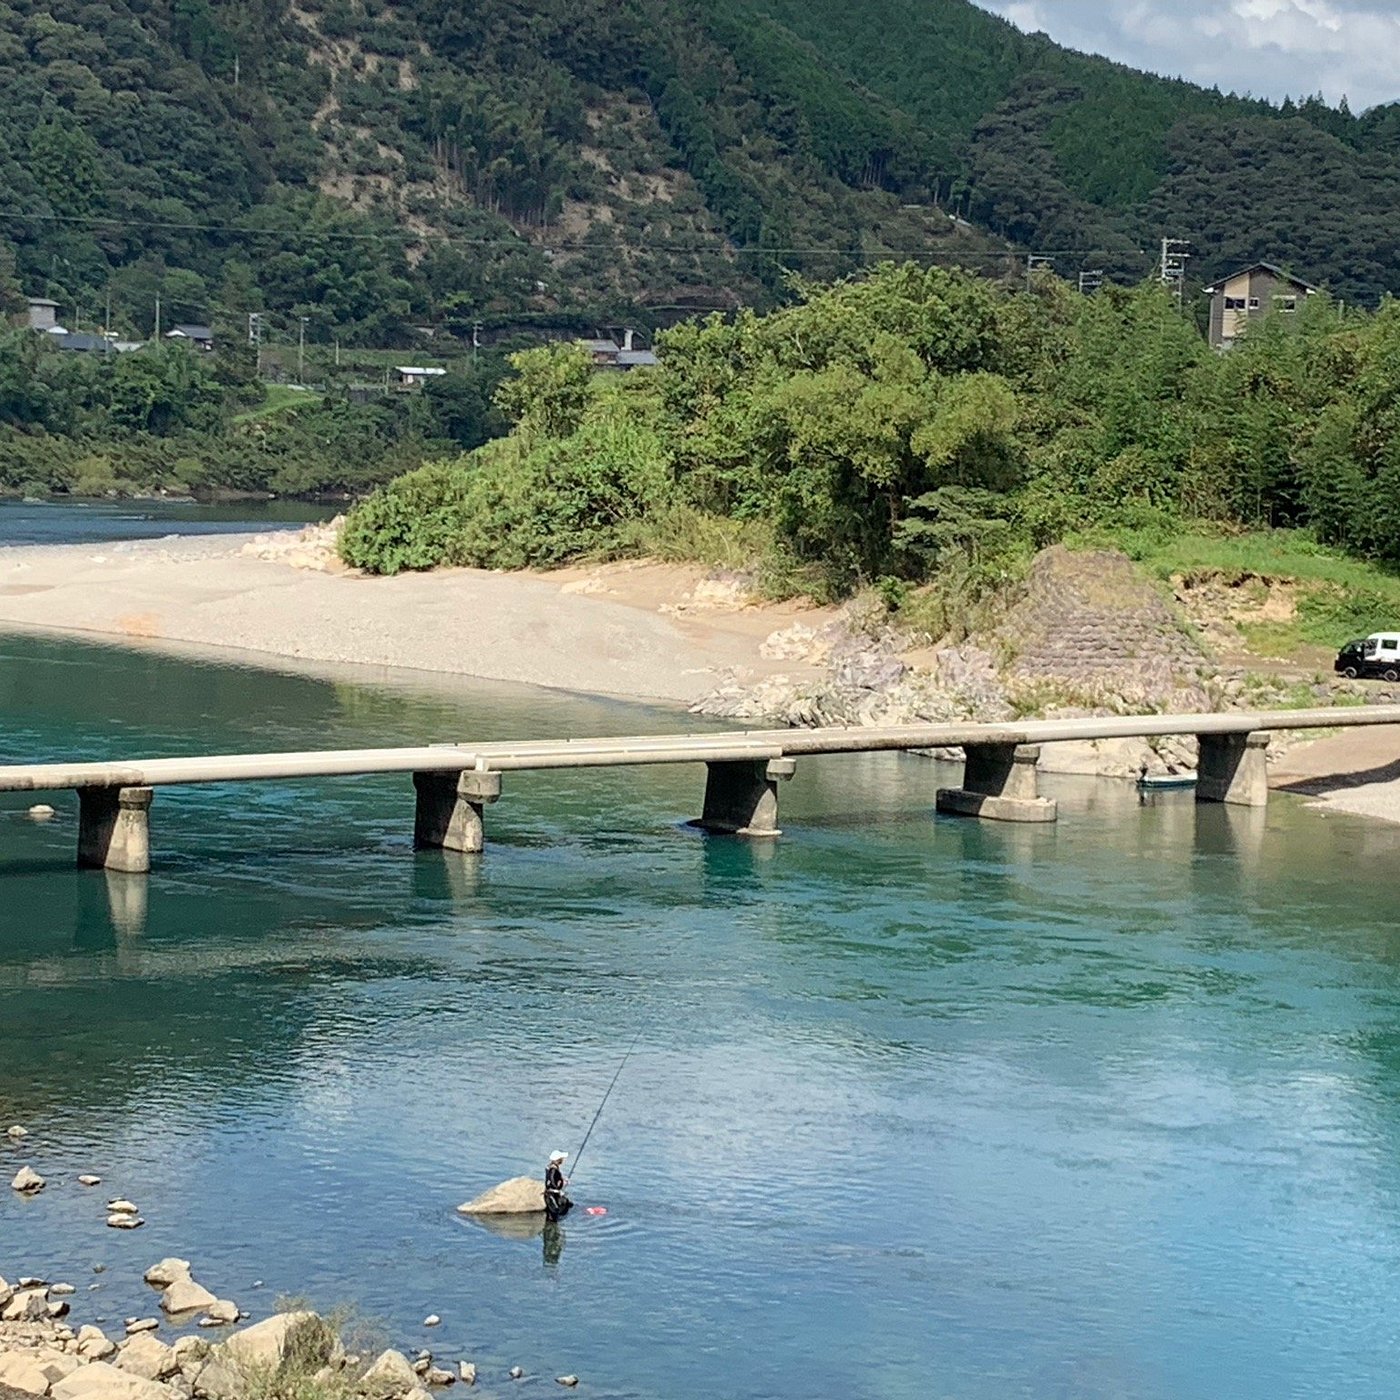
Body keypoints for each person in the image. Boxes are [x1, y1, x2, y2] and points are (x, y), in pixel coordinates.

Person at [544, 1150, 572, 1222]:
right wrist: (561, 1185)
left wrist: (562, 1179)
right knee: (553, 1217)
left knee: (551, 1215)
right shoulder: (553, 1170)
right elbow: (552, 1181)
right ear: (559, 1160)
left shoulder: (550, 1167)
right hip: (552, 1196)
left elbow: (553, 1178)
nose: (563, 1160)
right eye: (562, 1158)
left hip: (549, 1194)